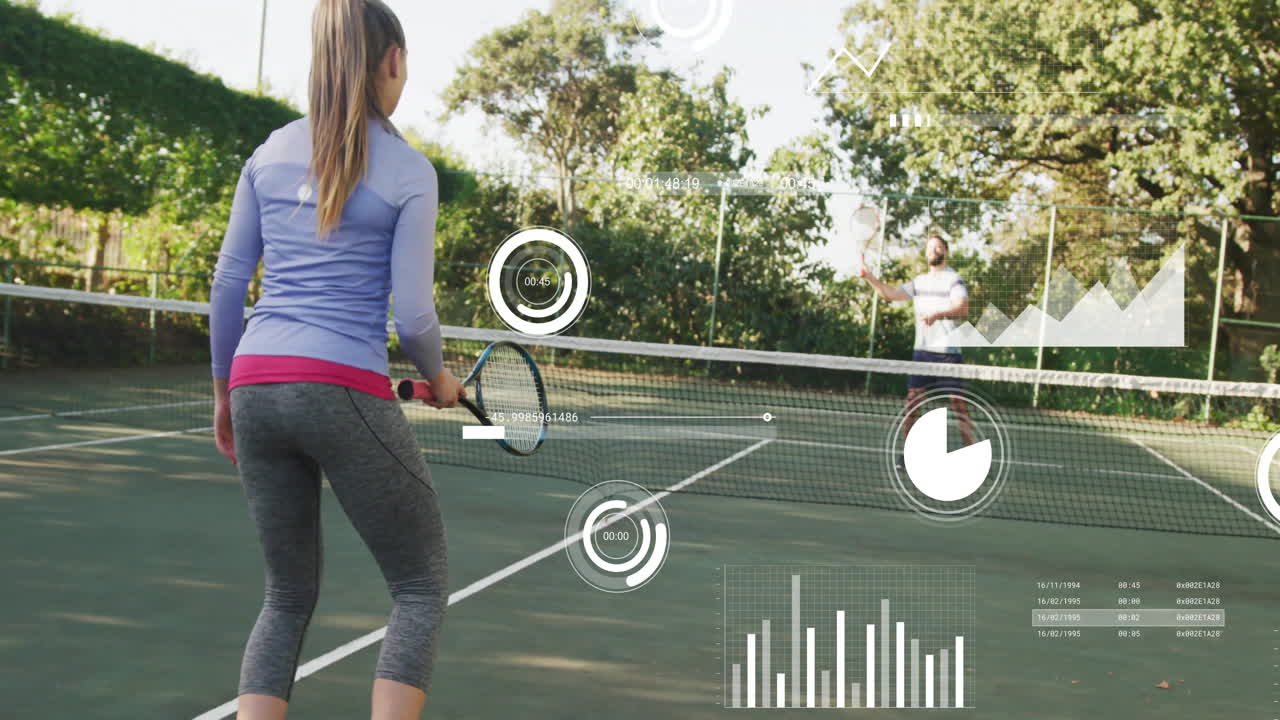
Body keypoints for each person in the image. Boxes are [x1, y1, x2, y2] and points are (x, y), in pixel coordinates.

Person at [208, 1, 460, 718]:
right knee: (418, 586)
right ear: (392, 62)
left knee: (285, 598)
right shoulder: (411, 172)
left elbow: (228, 285)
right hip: (341, 386)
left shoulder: (267, 153)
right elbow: (412, 316)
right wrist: (439, 376)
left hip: (257, 385)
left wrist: (226, 395)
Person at [859, 232, 977, 458]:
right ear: (925, 254)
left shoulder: (954, 279)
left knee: (959, 406)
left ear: (946, 252)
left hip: (948, 354)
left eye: (938, 247)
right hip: (922, 354)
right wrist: (869, 277)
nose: (933, 250)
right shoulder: (919, 282)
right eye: (930, 247)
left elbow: (963, 308)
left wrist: (937, 315)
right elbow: (891, 294)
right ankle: (908, 454)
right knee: (912, 405)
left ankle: (971, 454)